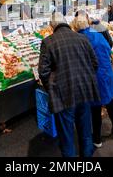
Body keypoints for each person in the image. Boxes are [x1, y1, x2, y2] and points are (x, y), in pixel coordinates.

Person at [38, 12, 100, 157]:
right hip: (84, 92)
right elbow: (95, 64)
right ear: (66, 22)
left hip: (63, 96)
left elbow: (43, 72)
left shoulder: (48, 42)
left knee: (66, 137)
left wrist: (51, 89)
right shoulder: (82, 38)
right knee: (85, 133)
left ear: (52, 26)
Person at [71, 12, 113, 148]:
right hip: (107, 73)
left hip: (95, 77)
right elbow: (108, 49)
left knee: (96, 107)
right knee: (109, 101)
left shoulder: (81, 38)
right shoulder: (98, 34)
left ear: (75, 26)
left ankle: (97, 139)